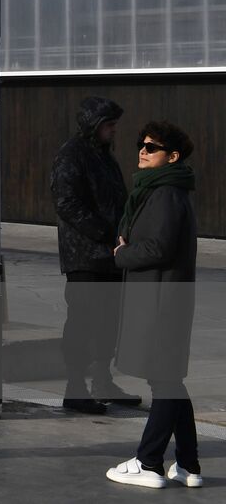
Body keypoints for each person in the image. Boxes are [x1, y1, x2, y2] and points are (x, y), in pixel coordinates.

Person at [105, 122, 202, 489]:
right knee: (169, 378)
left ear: (172, 157)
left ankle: (148, 462)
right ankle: (189, 465)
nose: (142, 151)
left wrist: (122, 253)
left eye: (152, 147)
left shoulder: (165, 194)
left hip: (161, 299)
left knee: (164, 380)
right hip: (163, 296)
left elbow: (158, 247)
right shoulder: (161, 190)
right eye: (140, 145)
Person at [50, 96, 140, 413]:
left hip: (111, 256)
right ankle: (75, 387)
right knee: (83, 321)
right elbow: (67, 203)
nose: (114, 131)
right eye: (109, 125)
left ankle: (102, 380)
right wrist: (105, 232)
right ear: (94, 125)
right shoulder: (72, 156)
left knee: (108, 321)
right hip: (84, 257)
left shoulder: (104, 156)